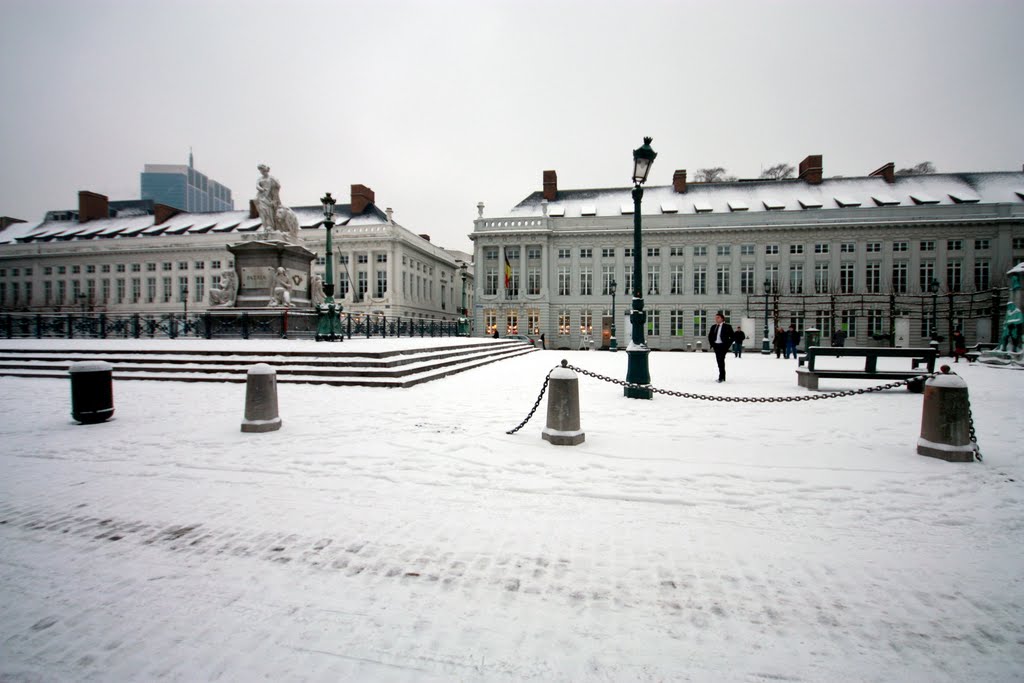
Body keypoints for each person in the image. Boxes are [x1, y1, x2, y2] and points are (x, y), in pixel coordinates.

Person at [707, 312, 734, 383]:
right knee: (719, 361)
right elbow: (710, 336)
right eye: (715, 318)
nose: (716, 319)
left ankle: (721, 377)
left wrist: (727, 345)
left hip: (723, 346)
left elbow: (732, 337)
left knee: (721, 360)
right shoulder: (714, 327)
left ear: (722, 319)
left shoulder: (727, 326)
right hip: (716, 346)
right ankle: (722, 377)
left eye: (718, 317)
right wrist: (712, 344)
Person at [255, 164, 281, 234]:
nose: (261, 172)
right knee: (263, 212)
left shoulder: (272, 178)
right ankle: (266, 227)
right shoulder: (260, 179)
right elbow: (257, 186)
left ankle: (271, 227)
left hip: (270, 197)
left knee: (270, 212)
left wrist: (275, 187)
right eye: (260, 171)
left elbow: (278, 186)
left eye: (262, 170)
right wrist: (262, 189)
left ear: (266, 170)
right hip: (262, 197)